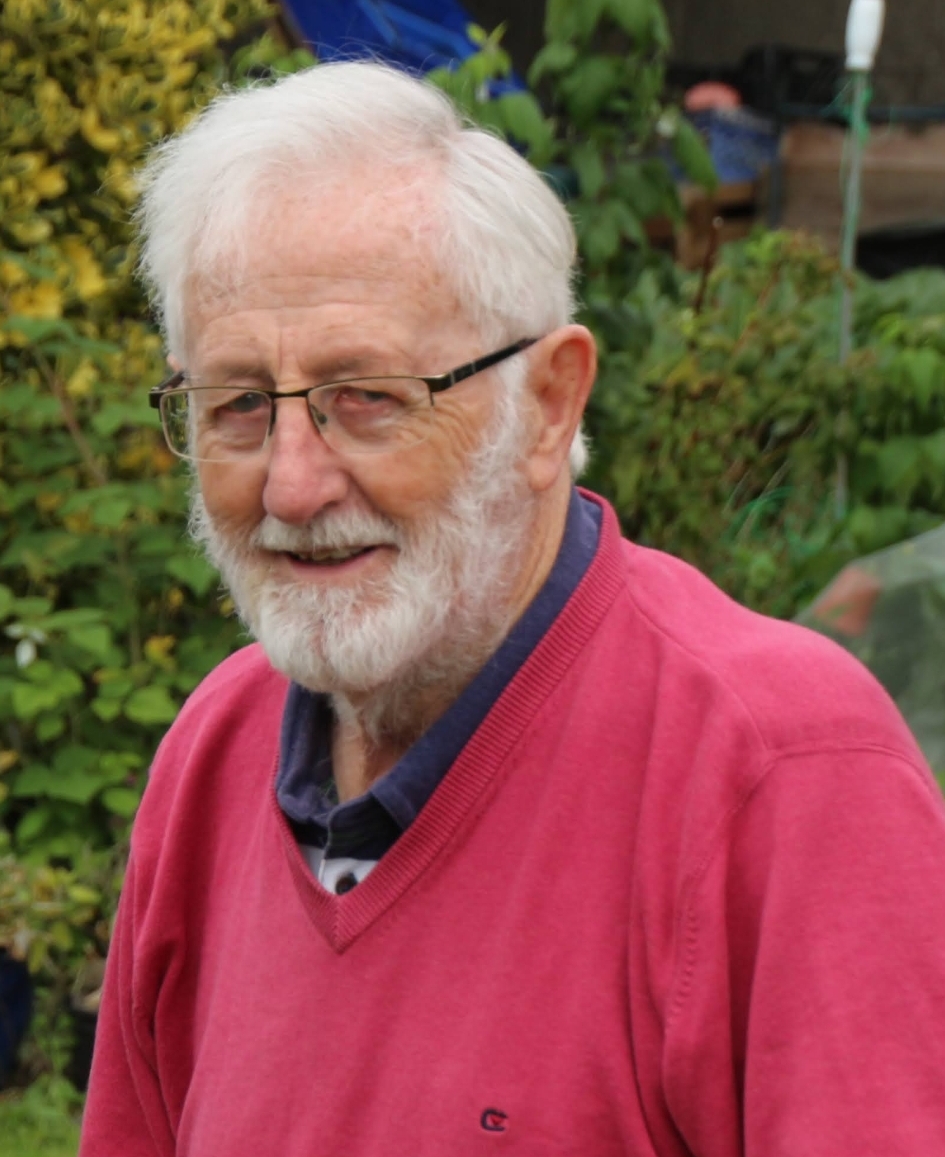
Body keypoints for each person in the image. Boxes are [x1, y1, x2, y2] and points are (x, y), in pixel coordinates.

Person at [80, 62, 945, 1157]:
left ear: (548, 404)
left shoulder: (783, 772)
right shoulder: (213, 751)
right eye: (240, 403)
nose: (292, 485)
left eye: (368, 397)